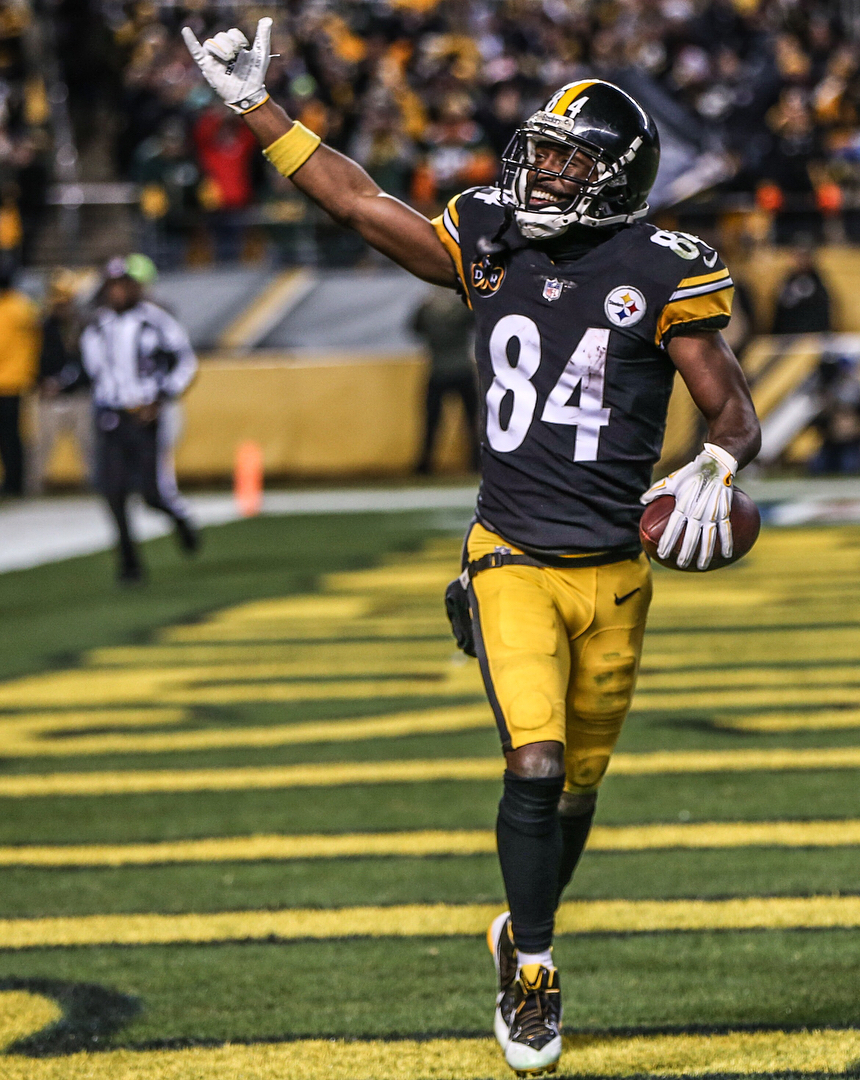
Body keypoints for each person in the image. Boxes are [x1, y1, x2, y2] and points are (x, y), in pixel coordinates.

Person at [184, 23, 760, 1077]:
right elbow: (363, 205)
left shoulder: (660, 265)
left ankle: (519, 921)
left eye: (565, 159)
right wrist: (256, 109)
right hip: (509, 556)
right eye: (537, 151)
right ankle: (533, 968)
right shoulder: (488, 233)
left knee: (578, 788)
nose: (537, 170)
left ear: (616, 178)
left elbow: (731, 409)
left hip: (617, 573)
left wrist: (721, 465)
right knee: (533, 765)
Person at [80, 254, 200, 583]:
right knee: (113, 492)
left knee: (151, 494)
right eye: (112, 285)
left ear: (135, 287)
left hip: (145, 415)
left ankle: (180, 519)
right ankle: (129, 562)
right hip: (111, 415)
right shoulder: (95, 326)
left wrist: (161, 397)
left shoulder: (156, 320)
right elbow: (92, 372)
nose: (118, 292)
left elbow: (186, 362)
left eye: (124, 285)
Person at [27, 269, 95, 494]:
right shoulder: (42, 327)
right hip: (49, 395)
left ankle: (95, 484)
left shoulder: (84, 326)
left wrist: (65, 382)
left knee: (88, 443)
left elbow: (88, 363)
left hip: (78, 394)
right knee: (41, 445)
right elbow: (32, 358)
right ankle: (32, 488)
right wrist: (41, 382)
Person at [411, 287, 478, 473]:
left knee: (432, 421)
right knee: (471, 420)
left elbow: (415, 329)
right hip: (460, 368)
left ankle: (425, 463)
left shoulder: (428, 310)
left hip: (439, 369)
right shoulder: (460, 310)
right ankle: (476, 461)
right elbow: (475, 321)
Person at [0, 264, 40, 497]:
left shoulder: (13, 307)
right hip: (18, 379)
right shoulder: (23, 305)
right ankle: (16, 482)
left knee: (9, 437)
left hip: (10, 382)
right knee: (12, 436)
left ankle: (14, 483)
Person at [807, 352, 860, 475]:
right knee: (817, 470)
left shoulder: (851, 385)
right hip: (829, 441)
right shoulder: (819, 384)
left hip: (849, 442)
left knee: (849, 470)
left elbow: (856, 414)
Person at [771, 241, 833, 335]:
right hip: (787, 335)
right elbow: (779, 312)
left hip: (814, 334)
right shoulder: (786, 282)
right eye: (798, 257)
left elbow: (824, 312)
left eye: (804, 256)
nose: (801, 261)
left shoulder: (819, 283)